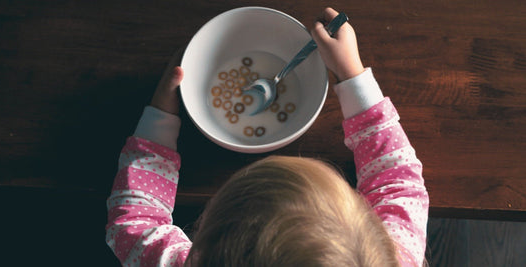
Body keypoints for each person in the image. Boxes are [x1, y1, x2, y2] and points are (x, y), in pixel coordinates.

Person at [106, 7, 429, 267]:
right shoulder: (389, 257)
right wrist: (352, 75)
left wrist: (161, 117)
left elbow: (134, 221)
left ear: (205, 237)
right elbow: (397, 180)